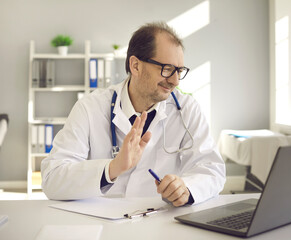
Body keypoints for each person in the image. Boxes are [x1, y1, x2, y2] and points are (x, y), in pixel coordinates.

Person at [41, 22, 226, 206]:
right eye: (167, 69)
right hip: (102, 222)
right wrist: (112, 169)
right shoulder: (90, 108)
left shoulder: (186, 109)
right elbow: (52, 178)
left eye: (179, 71)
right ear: (135, 66)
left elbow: (212, 170)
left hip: (160, 220)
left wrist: (186, 189)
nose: (175, 81)